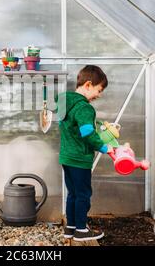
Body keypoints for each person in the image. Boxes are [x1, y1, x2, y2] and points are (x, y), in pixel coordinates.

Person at [56, 65, 111, 241]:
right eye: (99, 90)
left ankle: (70, 227)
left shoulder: (65, 103)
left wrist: (98, 123)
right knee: (83, 195)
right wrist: (104, 147)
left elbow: (73, 126)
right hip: (80, 159)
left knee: (73, 193)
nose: (99, 95)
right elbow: (87, 132)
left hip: (67, 157)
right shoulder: (85, 108)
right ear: (88, 85)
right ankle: (81, 230)